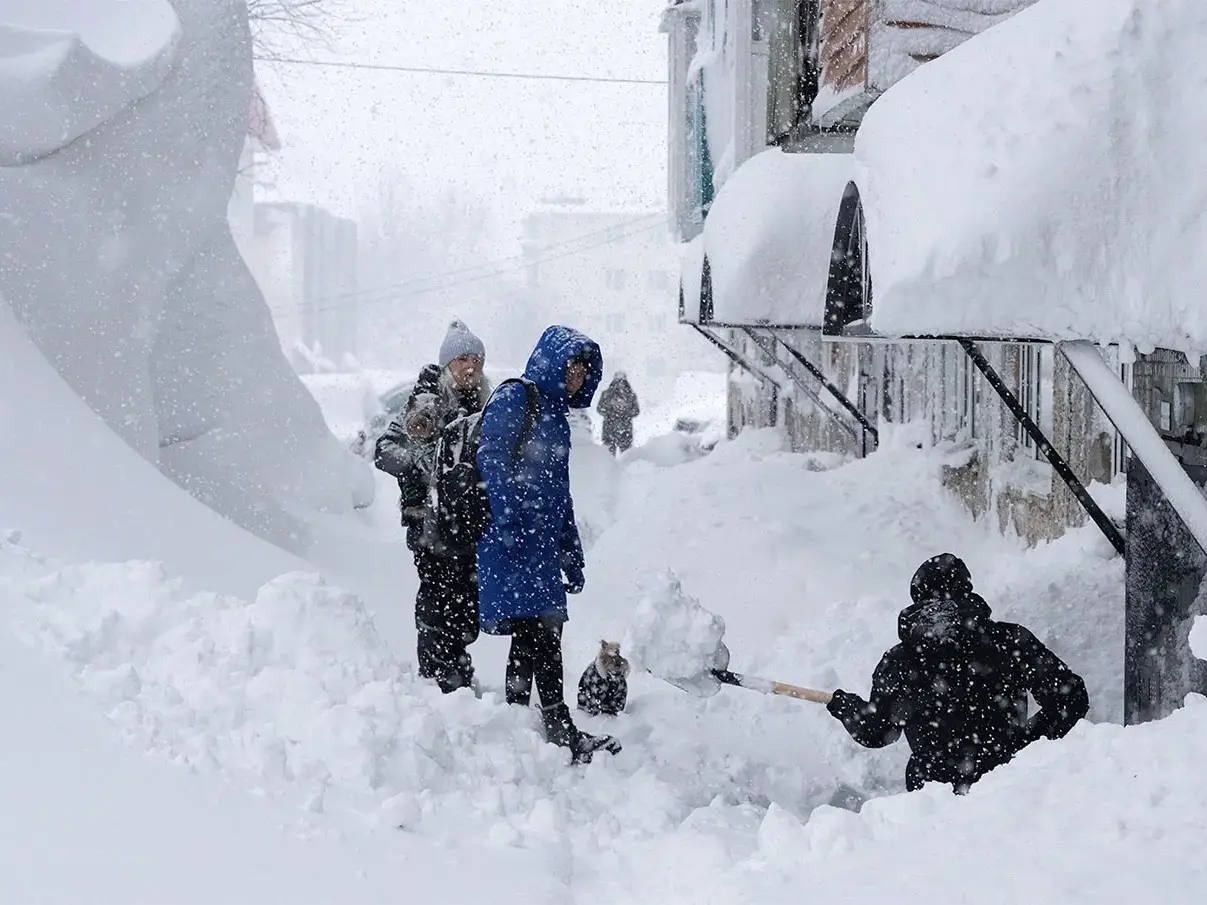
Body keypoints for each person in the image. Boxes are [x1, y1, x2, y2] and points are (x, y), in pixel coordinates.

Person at [476, 325, 622, 764]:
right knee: (543, 633)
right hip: (513, 544)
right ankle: (558, 728)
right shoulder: (515, 398)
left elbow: (560, 494)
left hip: (537, 547)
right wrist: (507, 522)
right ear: (553, 363)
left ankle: (521, 724)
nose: (577, 378)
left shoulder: (556, 417)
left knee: (533, 634)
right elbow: (492, 461)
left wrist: (570, 550)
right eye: (572, 367)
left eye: (583, 372)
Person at [826, 553, 1088, 794]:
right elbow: (1070, 697)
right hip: (1009, 785)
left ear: (918, 597)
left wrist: (847, 707)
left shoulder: (900, 660)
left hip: (932, 800)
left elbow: (877, 731)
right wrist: (1029, 744)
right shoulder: (1009, 641)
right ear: (966, 588)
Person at [374, 320, 491, 693]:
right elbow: (385, 450)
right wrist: (423, 469)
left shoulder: (484, 405)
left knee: (466, 604)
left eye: (476, 359)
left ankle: (455, 667)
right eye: (462, 360)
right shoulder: (427, 402)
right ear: (447, 367)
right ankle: (438, 674)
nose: (470, 367)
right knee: (437, 599)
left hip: (467, 528)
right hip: (429, 527)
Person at [596, 372, 640, 456]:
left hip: (613, 428)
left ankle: (611, 467)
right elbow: (636, 411)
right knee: (624, 456)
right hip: (621, 428)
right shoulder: (630, 395)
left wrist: (614, 412)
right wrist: (624, 413)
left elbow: (600, 409)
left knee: (612, 455)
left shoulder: (607, 394)